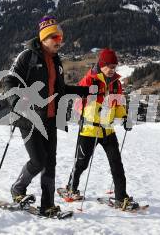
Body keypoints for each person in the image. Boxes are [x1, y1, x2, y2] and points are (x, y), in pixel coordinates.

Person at [3, 16, 88, 217]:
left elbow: (60, 90)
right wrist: (17, 104)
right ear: (44, 38)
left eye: (61, 37)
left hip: (50, 120)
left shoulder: (57, 62)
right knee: (38, 160)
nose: (59, 41)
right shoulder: (27, 57)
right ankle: (18, 189)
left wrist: (83, 91)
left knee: (50, 163)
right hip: (29, 118)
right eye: (55, 37)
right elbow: (8, 83)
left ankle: (48, 204)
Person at [63, 48, 139, 210]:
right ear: (102, 64)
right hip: (89, 131)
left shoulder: (116, 84)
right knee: (82, 164)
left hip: (108, 131)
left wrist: (124, 118)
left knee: (116, 164)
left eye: (115, 66)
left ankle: (120, 197)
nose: (113, 70)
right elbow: (77, 105)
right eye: (109, 66)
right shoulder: (89, 80)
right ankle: (71, 188)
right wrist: (91, 107)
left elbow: (118, 105)